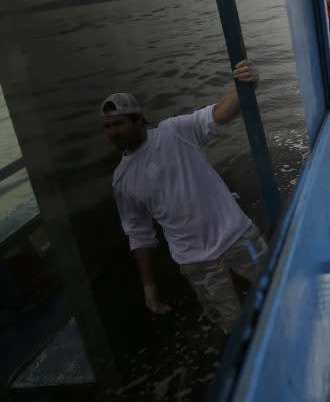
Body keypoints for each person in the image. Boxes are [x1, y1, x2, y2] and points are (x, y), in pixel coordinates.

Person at [101, 59, 268, 334]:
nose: (112, 133)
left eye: (118, 124)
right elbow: (139, 234)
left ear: (139, 119)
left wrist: (247, 83)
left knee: (279, 289)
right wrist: (149, 288)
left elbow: (219, 114)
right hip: (197, 264)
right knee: (233, 329)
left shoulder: (174, 132)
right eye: (107, 127)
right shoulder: (121, 179)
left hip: (240, 239)